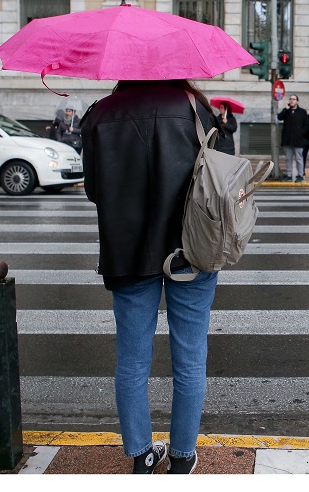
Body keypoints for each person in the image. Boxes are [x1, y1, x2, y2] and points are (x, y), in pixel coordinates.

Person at [81, 80, 222, 476]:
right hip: (190, 249)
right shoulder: (195, 108)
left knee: (131, 361)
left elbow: (94, 189)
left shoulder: (100, 114)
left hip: (126, 252)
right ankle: (182, 456)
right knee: (190, 358)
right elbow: (222, 176)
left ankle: (142, 455)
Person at [277, 94, 308, 183]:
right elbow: (279, 117)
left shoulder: (302, 112)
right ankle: (289, 175)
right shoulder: (286, 111)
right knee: (288, 158)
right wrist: (286, 109)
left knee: (299, 158)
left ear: (297, 101)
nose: (291, 101)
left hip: (298, 140)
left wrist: (301, 133)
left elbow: (306, 125)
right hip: (287, 139)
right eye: (290, 99)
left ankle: (300, 175)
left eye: (293, 99)